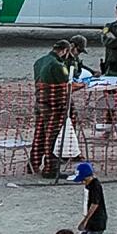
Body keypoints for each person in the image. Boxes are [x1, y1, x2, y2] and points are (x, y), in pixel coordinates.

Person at [31, 38, 75, 177]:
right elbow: (66, 84)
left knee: (39, 135)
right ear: (65, 51)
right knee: (53, 137)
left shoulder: (40, 61)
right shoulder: (57, 65)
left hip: (40, 103)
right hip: (54, 105)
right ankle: (51, 169)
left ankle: (33, 164)